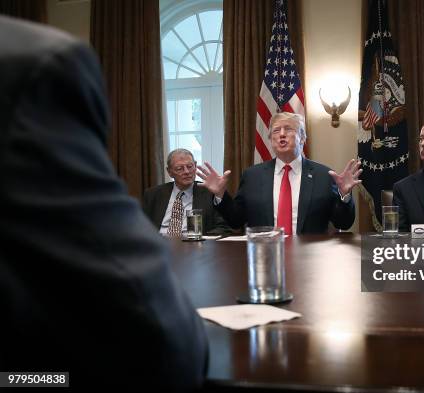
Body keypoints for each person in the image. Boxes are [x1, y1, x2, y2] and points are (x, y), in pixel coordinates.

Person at [0, 16, 207, 388]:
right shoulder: (41, 62)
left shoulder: (207, 193)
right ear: (169, 170)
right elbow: (172, 347)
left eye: (191, 165)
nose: (188, 171)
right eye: (181, 167)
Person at [196, 112, 360, 235]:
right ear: (270, 139)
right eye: (276, 131)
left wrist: (344, 195)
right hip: (265, 254)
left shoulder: (323, 175)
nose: (281, 134)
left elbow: (343, 223)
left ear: (302, 138)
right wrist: (220, 195)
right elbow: (236, 220)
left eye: (288, 129)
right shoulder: (252, 176)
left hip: (310, 255)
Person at [143, 148, 232, 236]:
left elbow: (224, 227)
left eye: (190, 166)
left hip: (195, 245)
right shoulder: (153, 194)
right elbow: (141, 226)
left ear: (195, 165)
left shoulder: (209, 192)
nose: (186, 172)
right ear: (169, 172)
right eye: (179, 168)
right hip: (159, 245)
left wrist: (202, 239)